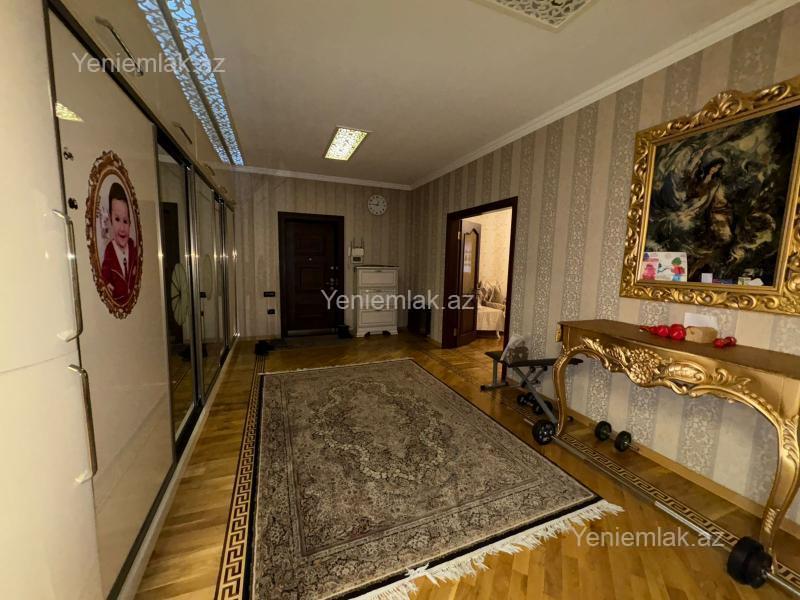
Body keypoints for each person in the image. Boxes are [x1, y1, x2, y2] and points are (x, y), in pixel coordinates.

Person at [101, 182, 139, 305]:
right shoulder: (109, 252)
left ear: (130, 223)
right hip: (117, 304)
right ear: (111, 220)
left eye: (125, 221)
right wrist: (107, 284)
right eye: (117, 219)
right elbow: (104, 275)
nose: (122, 228)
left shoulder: (133, 248)